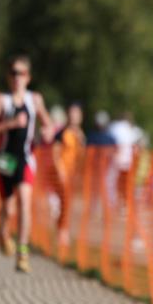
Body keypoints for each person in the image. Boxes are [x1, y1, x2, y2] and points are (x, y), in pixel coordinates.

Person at [0, 55, 56, 274]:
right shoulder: (1, 100)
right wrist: (10, 124)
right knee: (8, 207)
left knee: (24, 201)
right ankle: (2, 232)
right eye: (14, 73)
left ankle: (22, 253)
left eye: (21, 73)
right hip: (5, 159)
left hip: (25, 158)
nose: (17, 78)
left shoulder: (35, 100)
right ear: (8, 77)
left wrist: (47, 131)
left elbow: (49, 124)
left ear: (28, 77)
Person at [53, 102, 86, 247]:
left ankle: (62, 229)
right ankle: (62, 232)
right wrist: (60, 169)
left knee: (68, 203)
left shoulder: (80, 135)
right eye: (72, 113)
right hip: (64, 173)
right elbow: (56, 152)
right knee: (65, 202)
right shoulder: (62, 133)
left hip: (75, 174)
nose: (74, 116)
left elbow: (82, 155)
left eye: (76, 113)